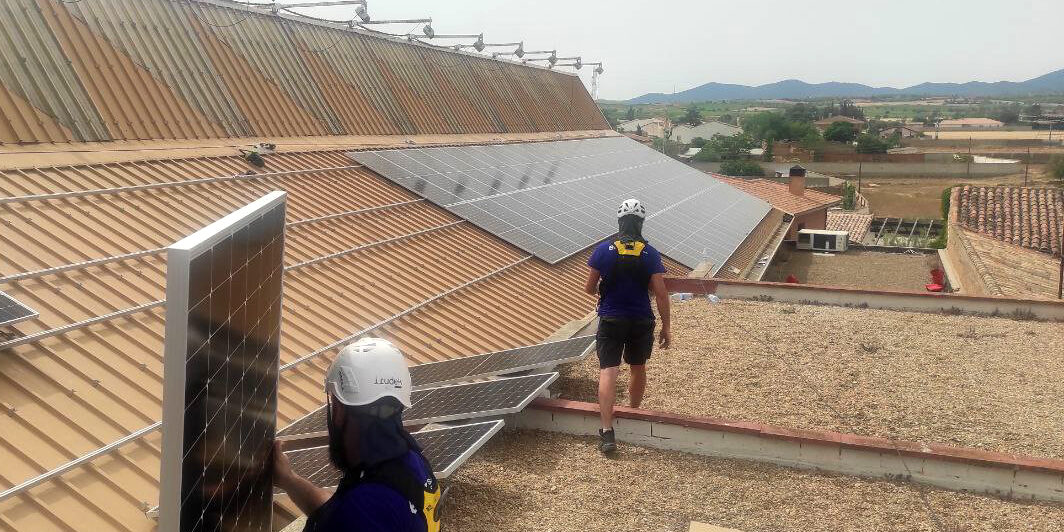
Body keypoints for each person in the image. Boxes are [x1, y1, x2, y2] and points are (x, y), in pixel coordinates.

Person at [273, 338, 442, 531]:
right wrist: (287, 479)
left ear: (339, 411)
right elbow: (333, 511)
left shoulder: (359, 514)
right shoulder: (410, 463)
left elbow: (349, 516)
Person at [584, 198, 671, 454]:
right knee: (637, 367)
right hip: (641, 319)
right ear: (641, 223)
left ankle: (607, 431)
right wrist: (667, 326)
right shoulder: (650, 252)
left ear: (620, 221)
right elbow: (661, 293)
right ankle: (634, 413)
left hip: (611, 318)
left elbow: (589, 288)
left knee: (608, 371)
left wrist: (603, 290)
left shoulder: (603, 250)